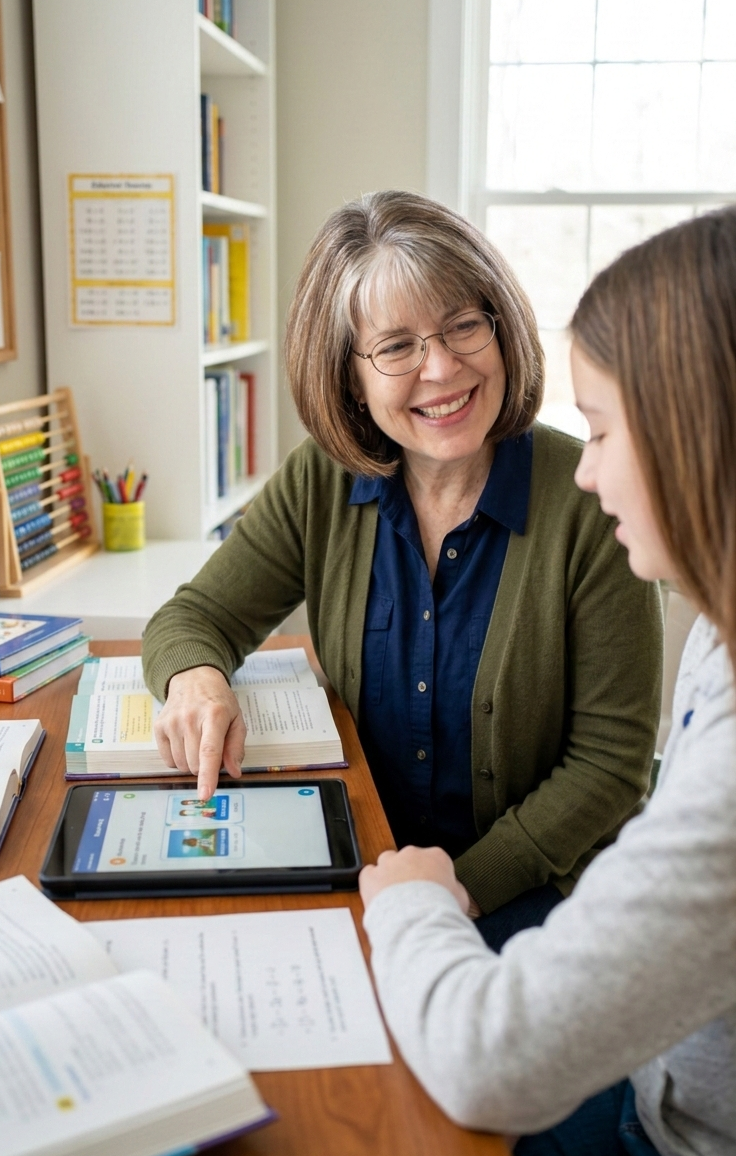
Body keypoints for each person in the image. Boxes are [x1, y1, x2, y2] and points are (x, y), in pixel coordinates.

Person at [142, 190, 662, 947]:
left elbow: (610, 768)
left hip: (539, 902)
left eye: (463, 326)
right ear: (350, 375)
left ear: (502, 326)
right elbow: (194, 619)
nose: (442, 368)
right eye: (396, 346)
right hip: (361, 874)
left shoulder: (590, 496)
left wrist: (449, 893)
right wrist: (197, 677)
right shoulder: (321, 482)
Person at [359, 206, 736, 1155]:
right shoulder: (719, 642)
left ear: (703, 436)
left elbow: (495, 1058)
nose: (589, 472)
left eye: (604, 432)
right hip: (650, 1081)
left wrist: (416, 896)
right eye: (398, 345)